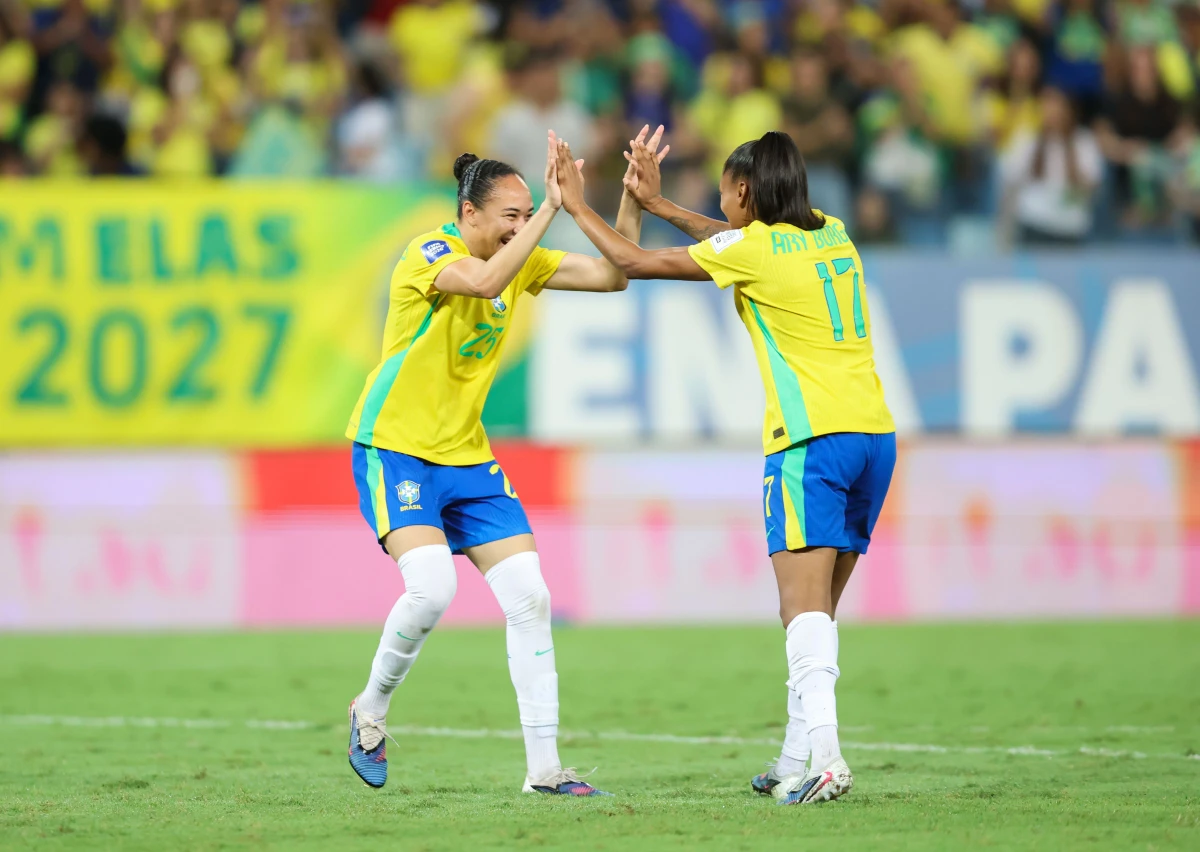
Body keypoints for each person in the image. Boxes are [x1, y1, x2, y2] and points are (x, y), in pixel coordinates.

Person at [552, 129, 895, 805]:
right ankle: (797, 754)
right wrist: (659, 203)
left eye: (723, 193)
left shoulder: (757, 250)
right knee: (816, 612)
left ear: (744, 191)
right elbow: (736, 241)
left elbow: (631, 261)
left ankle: (827, 758)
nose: (719, 202)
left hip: (809, 441)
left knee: (802, 611)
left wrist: (576, 205)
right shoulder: (833, 232)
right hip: (874, 439)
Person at [344, 126, 665, 797]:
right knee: (432, 588)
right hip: (397, 448)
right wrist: (552, 208)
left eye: (526, 216)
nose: (521, 229)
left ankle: (545, 773)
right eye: (510, 217)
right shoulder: (431, 252)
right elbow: (487, 279)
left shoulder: (520, 259)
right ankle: (370, 707)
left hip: (467, 457)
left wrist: (622, 200)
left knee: (531, 598)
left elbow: (614, 275)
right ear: (469, 215)